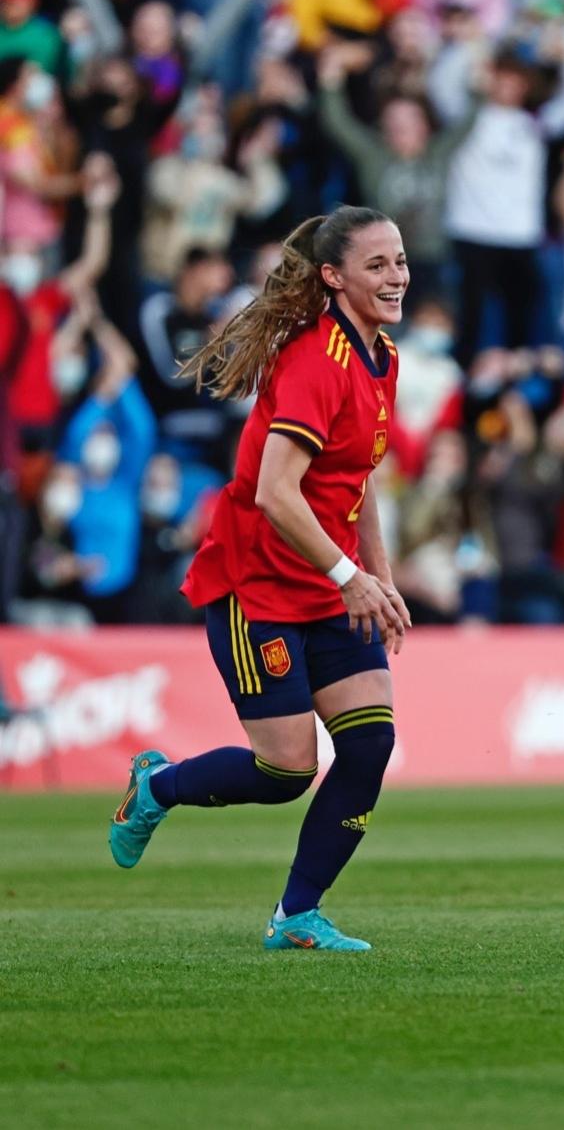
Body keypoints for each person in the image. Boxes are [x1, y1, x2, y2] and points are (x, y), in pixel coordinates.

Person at [106, 206, 411, 953]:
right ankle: (157, 787)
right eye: (377, 266)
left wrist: (380, 575)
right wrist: (351, 576)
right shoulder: (315, 361)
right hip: (259, 587)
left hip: (332, 583)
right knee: (285, 772)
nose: (397, 276)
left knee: (370, 746)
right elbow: (278, 493)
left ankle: (296, 915)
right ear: (334, 278)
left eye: (400, 261)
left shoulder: (384, 357)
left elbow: (357, 479)